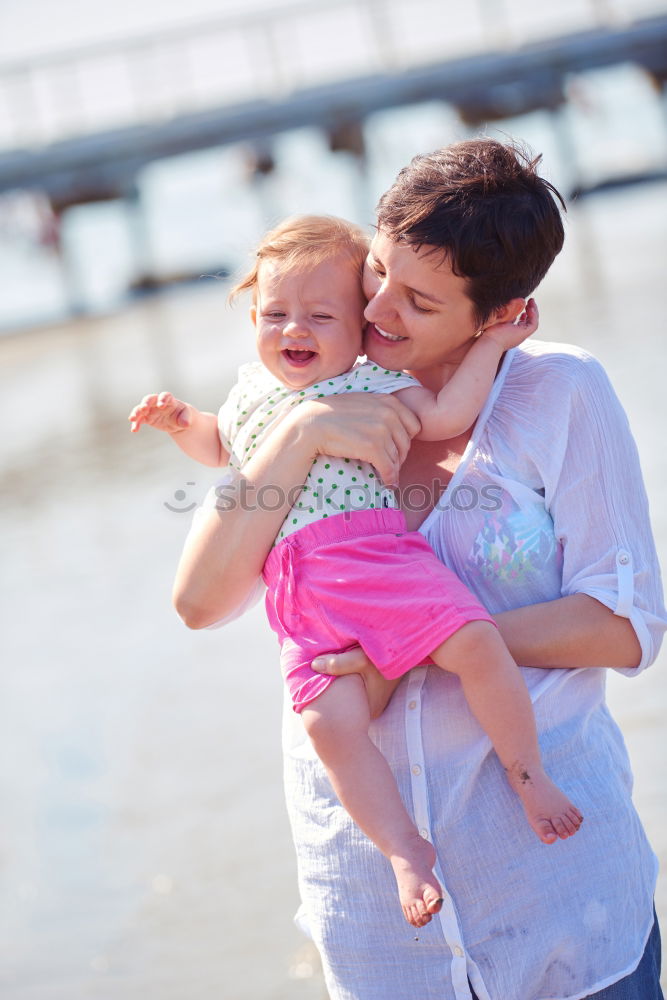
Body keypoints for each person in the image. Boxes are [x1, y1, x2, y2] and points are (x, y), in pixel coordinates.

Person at [171, 139, 666, 999]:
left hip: (557, 904)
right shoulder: (296, 396)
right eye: (377, 273)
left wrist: (420, 645)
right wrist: (300, 437)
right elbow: (199, 601)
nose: (379, 310)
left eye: (421, 300)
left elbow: (625, 625)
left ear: (496, 311)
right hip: (377, 919)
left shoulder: (558, 394)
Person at [129, 214, 582, 929]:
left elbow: (443, 415)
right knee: (327, 724)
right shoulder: (250, 394)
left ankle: (526, 774)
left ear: (361, 327)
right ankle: (403, 851)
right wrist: (182, 420)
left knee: (474, 643)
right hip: (301, 593)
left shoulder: (371, 385)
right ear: (252, 317)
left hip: (379, 561)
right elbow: (221, 447)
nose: (292, 330)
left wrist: (491, 345)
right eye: (274, 313)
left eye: (319, 315)